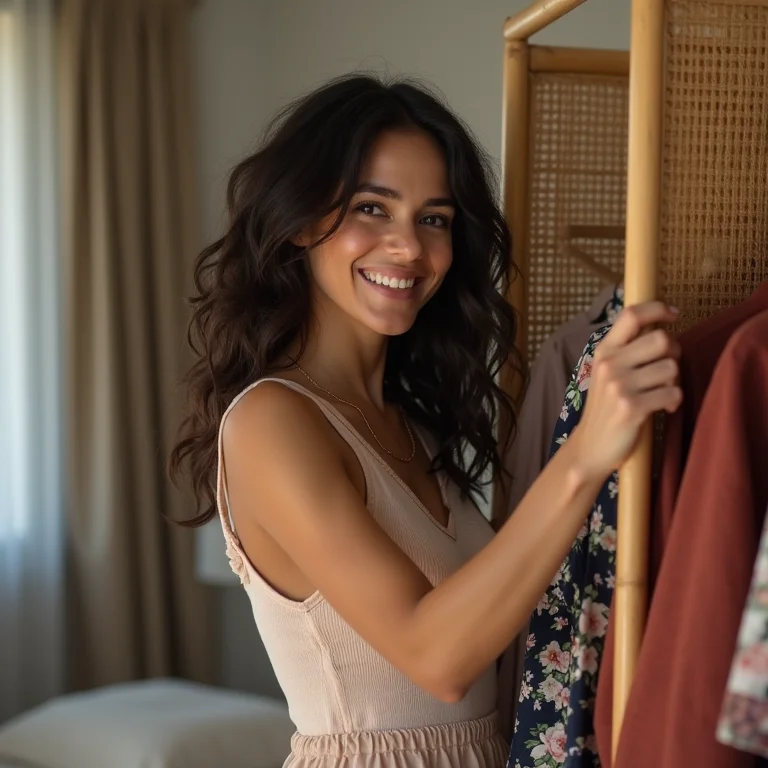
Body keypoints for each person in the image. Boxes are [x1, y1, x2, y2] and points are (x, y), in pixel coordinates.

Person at [169, 74, 682, 768]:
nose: (408, 247)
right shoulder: (270, 422)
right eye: (372, 209)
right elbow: (436, 657)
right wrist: (587, 452)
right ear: (299, 220)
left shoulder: (411, 422)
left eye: (433, 218)